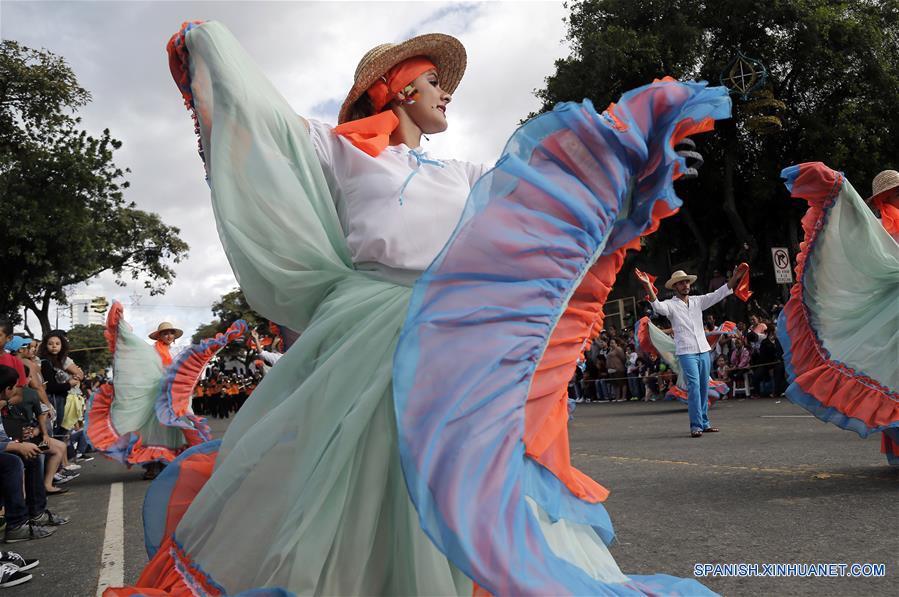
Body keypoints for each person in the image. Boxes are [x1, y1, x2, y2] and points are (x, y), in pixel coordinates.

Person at [113, 21, 731, 596]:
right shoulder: (339, 151)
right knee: (362, 477)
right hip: (367, 326)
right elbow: (264, 123)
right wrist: (210, 50)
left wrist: (636, 167)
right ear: (400, 88)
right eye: (434, 81)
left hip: (451, 333)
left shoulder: (463, 174)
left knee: (468, 464)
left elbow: (541, 201)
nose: (445, 94)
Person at [776, 163, 898, 465]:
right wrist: (836, 187)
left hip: (889, 315)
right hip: (888, 316)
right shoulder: (878, 230)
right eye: (893, 195)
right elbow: (857, 233)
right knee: (890, 376)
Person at [636, 264, 748, 437]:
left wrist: (735, 277)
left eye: (687, 282)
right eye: (681, 283)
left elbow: (719, 293)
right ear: (675, 287)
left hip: (703, 350)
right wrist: (648, 286)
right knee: (695, 387)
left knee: (703, 387)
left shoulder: (697, 301)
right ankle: (696, 425)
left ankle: (704, 423)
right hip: (686, 352)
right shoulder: (670, 305)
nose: (685, 285)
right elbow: (657, 307)